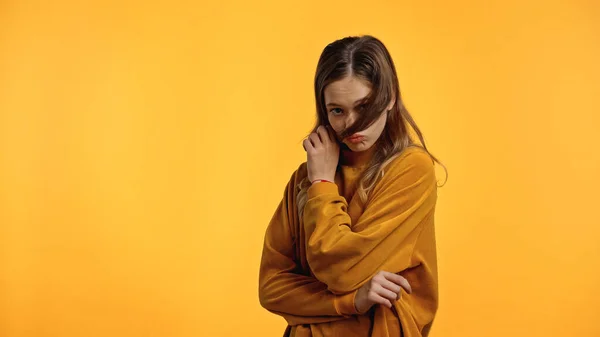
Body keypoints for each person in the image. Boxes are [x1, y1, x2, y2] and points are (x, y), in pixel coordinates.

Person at [258, 35, 445, 337]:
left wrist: (320, 186)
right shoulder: (305, 177)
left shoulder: (411, 170)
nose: (352, 124)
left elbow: (344, 271)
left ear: (391, 98)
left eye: (364, 106)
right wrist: (353, 301)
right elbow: (271, 287)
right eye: (337, 111)